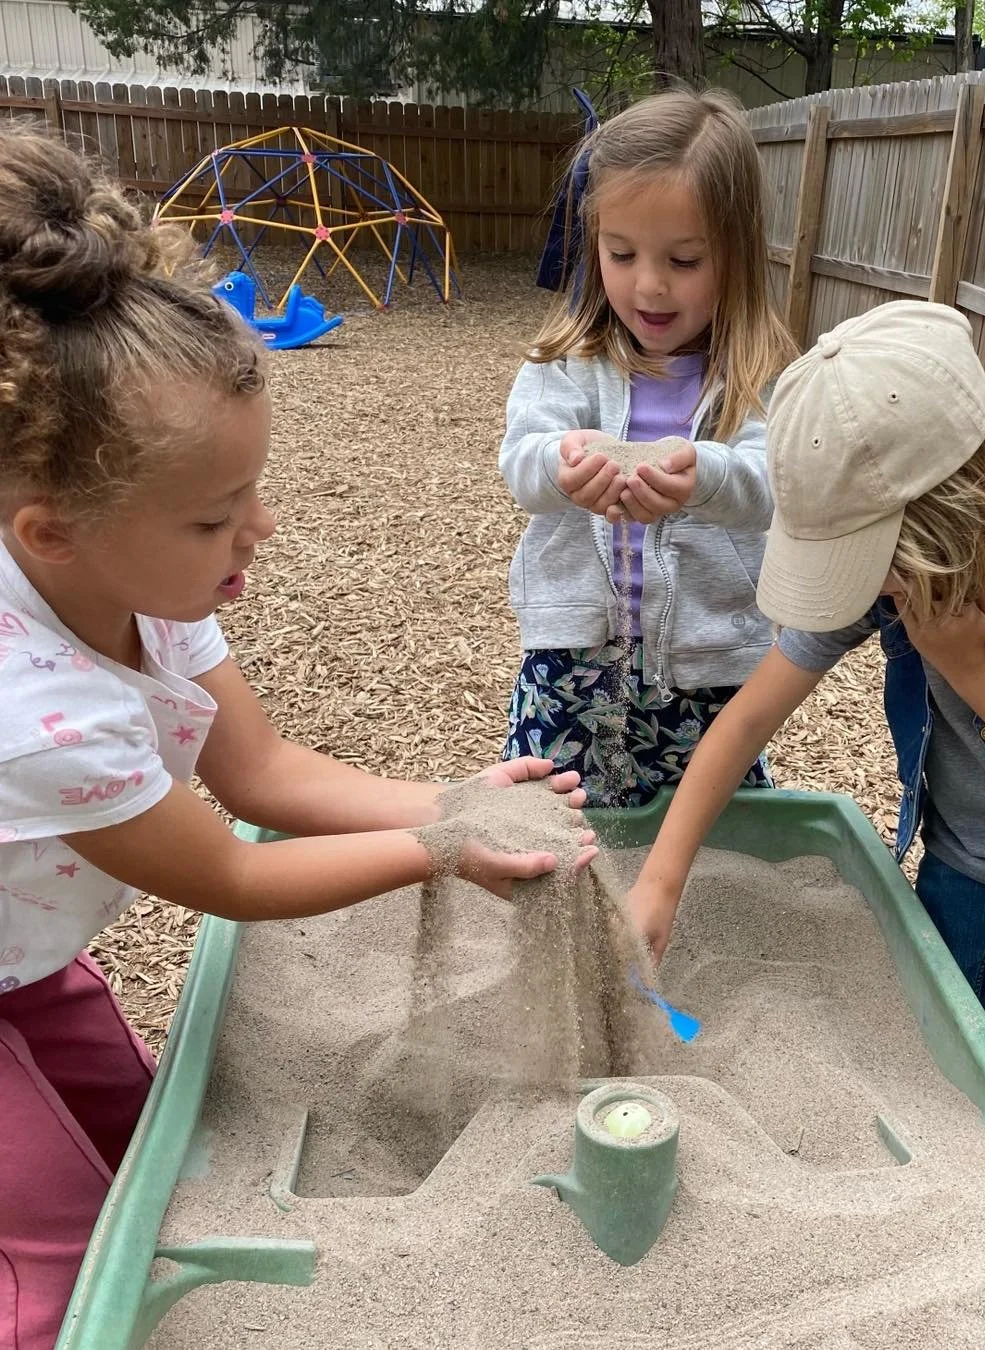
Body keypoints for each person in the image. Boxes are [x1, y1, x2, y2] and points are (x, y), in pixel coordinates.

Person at [0, 123, 596, 1349]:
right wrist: (444, 854)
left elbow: (265, 773)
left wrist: (451, 800)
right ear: (51, 531)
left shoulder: (149, 601)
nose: (259, 535)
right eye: (217, 518)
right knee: (56, 1260)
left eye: (255, 495)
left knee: (141, 1144)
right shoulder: (35, 712)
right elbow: (231, 871)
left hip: (29, 952)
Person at [627, 299, 985, 1144]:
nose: (866, 589)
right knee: (945, 1037)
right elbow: (748, 717)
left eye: (869, 568)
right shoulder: (898, 573)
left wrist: (969, 667)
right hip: (961, 847)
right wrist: (662, 876)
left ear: (943, 528)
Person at [499, 87, 797, 807]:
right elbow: (521, 462)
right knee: (548, 817)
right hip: (570, 658)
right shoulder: (567, 360)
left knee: (715, 832)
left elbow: (775, 486)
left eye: (685, 260)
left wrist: (708, 477)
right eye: (621, 253)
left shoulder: (754, 376)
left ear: (736, 253)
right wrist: (566, 464)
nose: (650, 285)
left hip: (712, 670)